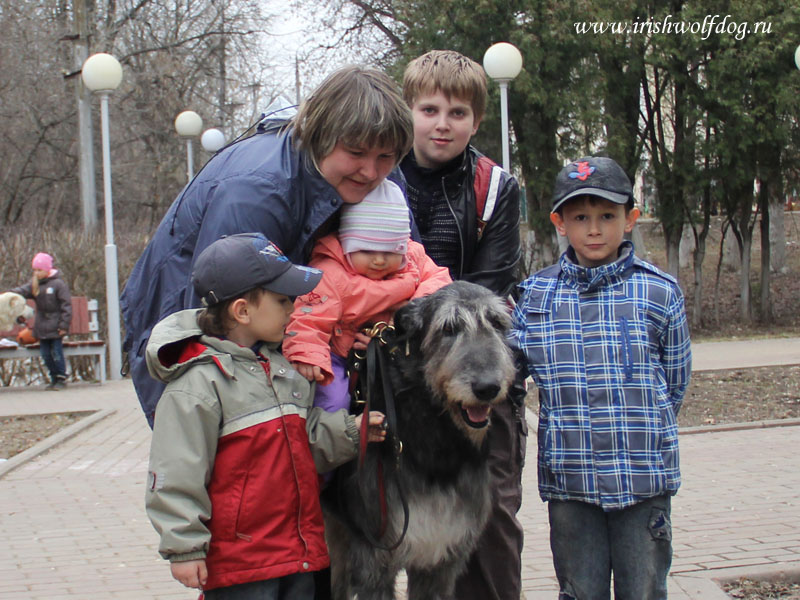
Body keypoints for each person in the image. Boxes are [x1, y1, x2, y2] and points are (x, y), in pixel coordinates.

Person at [121, 65, 414, 427]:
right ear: (321, 136)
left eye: (385, 157)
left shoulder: (384, 179)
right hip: (194, 324)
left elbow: (405, 267)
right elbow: (226, 324)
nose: (371, 172)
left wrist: (379, 329)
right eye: (356, 153)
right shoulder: (256, 192)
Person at [145, 233, 386, 599]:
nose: (294, 308)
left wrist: (352, 431)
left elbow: (304, 442)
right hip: (240, 565)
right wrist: (185, 548)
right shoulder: (198, 385)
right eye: (282, 300)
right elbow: (177, 472)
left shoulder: (285, 369)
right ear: (242, 310)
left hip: (298, 554)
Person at [511, 156, 692, 599]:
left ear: (630, 218)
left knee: (644, 589)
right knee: (579, 590)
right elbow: (513, 372)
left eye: (607, 216)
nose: (595, 230)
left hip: (642, 480)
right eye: (581, 218)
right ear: (559, 223)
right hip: (573, 484)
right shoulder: (536, 297)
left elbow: (674, 381)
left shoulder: (659, 291)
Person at [400, 49, 526, 600]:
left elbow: (489, 290)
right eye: (429, 109)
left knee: (490, 514)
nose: (442, 124)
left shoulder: (496, 187)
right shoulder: (377, 175)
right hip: (397, 373)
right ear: (409, 113)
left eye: (458, 112)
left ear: (477, 120)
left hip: (476, 371)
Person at [283, 178, 451, 413]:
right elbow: (308, 318)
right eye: (367, 250)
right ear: (347, 245)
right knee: (333, 402)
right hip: (339, 354)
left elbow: (440, 281)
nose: (379, 260)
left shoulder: (413, 259)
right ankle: (333, 435)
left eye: (390, 251)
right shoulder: (331, 273)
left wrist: (408, 314)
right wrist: (306, 354)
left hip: (394, 348)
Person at [10, 252, 72, 390]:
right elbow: (22, 291)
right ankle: (53, 376)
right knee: (45, 354)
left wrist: (63, 325)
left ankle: (61, 376)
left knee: (56, 352)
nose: (36, 273)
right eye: (35, 270)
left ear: (47, 269)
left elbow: (66, 306)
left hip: (55, 326)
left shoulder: (58, 284)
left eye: (39, 270)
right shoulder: (35, 285)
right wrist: (9, 294)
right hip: (42, 326)